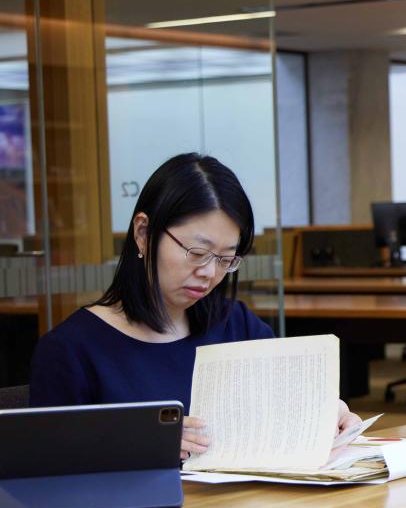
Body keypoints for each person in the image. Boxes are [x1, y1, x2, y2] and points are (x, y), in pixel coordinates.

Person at [29, 153, 360, 459]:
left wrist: (329, 412)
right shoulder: (71, 351)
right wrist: (139, 446)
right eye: (198, 253)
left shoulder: (236, 326)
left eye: (225, 259)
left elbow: (292, 401)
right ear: (143, 233)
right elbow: (48, 471)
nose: (209, 273)